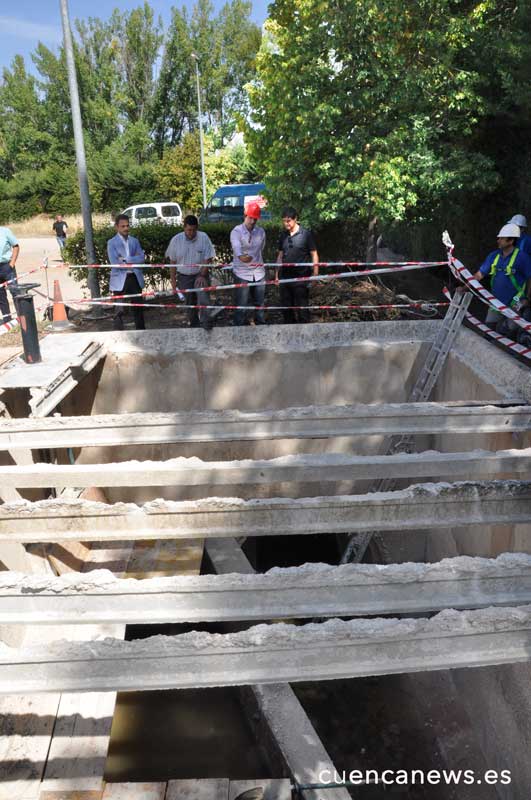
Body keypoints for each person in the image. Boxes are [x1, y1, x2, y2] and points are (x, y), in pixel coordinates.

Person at [472, 222, 531, 343]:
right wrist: (464, 286)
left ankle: (510, 347)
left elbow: (530, 278)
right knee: (488, 330)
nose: (498, 240)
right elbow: (479, 275)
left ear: (510, 241)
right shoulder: (494, 256)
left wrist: (526, 299)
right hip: (496, 299)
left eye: (502, 238)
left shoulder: (522, 258)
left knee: (510, 328)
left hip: (515, 299)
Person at [165, 215, 216, 331]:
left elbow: (208, 258)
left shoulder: (204, 238)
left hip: (200, 273)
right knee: (189, 302)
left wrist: (202, 275)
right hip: (184, 276)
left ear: (197, 228)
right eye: (188, 230)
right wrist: (173, 283)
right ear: (184, 228)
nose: (191, 233)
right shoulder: (176, 240)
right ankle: (194, 325)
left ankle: (206, 322)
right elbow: (172, 262)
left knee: (203, 296)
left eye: (193, 230)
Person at [276, 206, 319, 324]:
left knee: (302, 307)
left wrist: (315, 274)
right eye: (284, 221)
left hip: (301, 278)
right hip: (285, 277)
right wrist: (276, 274)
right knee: (286, 307)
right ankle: (289, 330)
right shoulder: (283, 235)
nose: (286, 224)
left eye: (288, 221)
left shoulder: (306, 234)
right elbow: (280, 256)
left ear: (295, 219)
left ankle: (304, 332)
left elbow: (314, 254)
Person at [107, 214, 146, 331]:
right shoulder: (111, 243)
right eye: (122, 226)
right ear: (116, 227)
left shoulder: (135, 241)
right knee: (119, 309)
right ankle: (118, 334)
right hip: (119, 279)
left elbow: (142, 259)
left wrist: (127, 260)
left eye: (127, 225)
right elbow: (115, 262)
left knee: (138, 308)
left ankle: (141, 332)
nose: (126, 228)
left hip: (135, 277)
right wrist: (133, 260)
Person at [230, 202, 267, 326]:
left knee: (260, 304)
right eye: (250, 217)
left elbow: (262, 248)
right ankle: (238, 329)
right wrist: (244, 256)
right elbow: (238, 251)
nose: (252, 221)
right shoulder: (236, 232)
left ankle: (261, 327)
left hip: (259, 273)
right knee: (241, 305)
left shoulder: (261, 232)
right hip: (242, 273)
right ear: (244, 215)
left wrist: (250, 257)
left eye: (255, 219)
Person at [0, 225, 20, 324]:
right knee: (0, 295)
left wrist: (11, 264)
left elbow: (16, 246)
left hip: (7, 266)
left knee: (15, 291)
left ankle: (21, 317)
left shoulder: (5, 231)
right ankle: (7, 319)